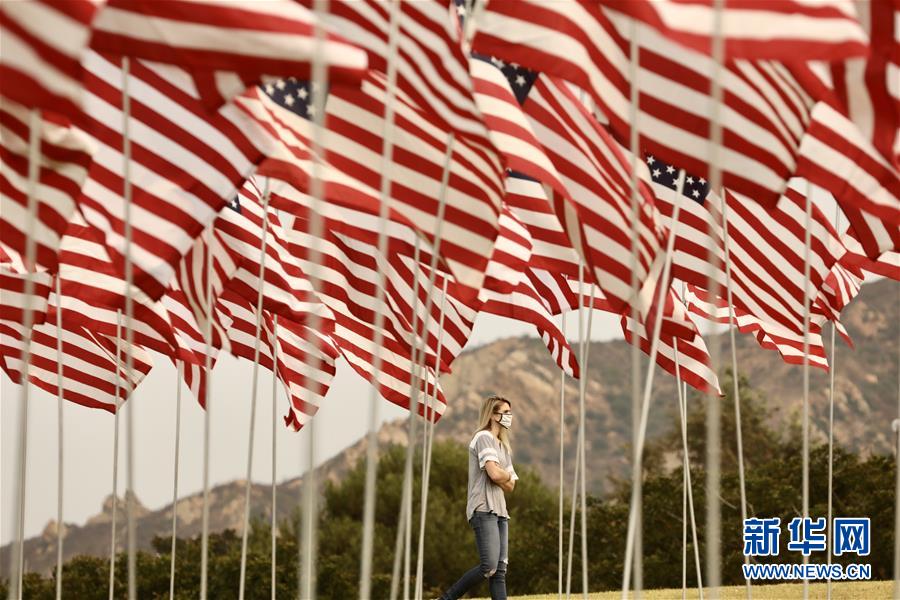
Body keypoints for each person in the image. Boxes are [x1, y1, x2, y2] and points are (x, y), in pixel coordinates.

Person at [439, 395, 517, 600]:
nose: (509, 416)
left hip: (501, 510)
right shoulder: (483, 438)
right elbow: (494, 474)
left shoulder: (503, 447)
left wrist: (502, 474)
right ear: (492, 415)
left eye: (510, 412)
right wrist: (503, 474)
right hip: (483, 507)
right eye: (505, 412)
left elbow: (511, 486)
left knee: (499, 571)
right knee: (488, 566)